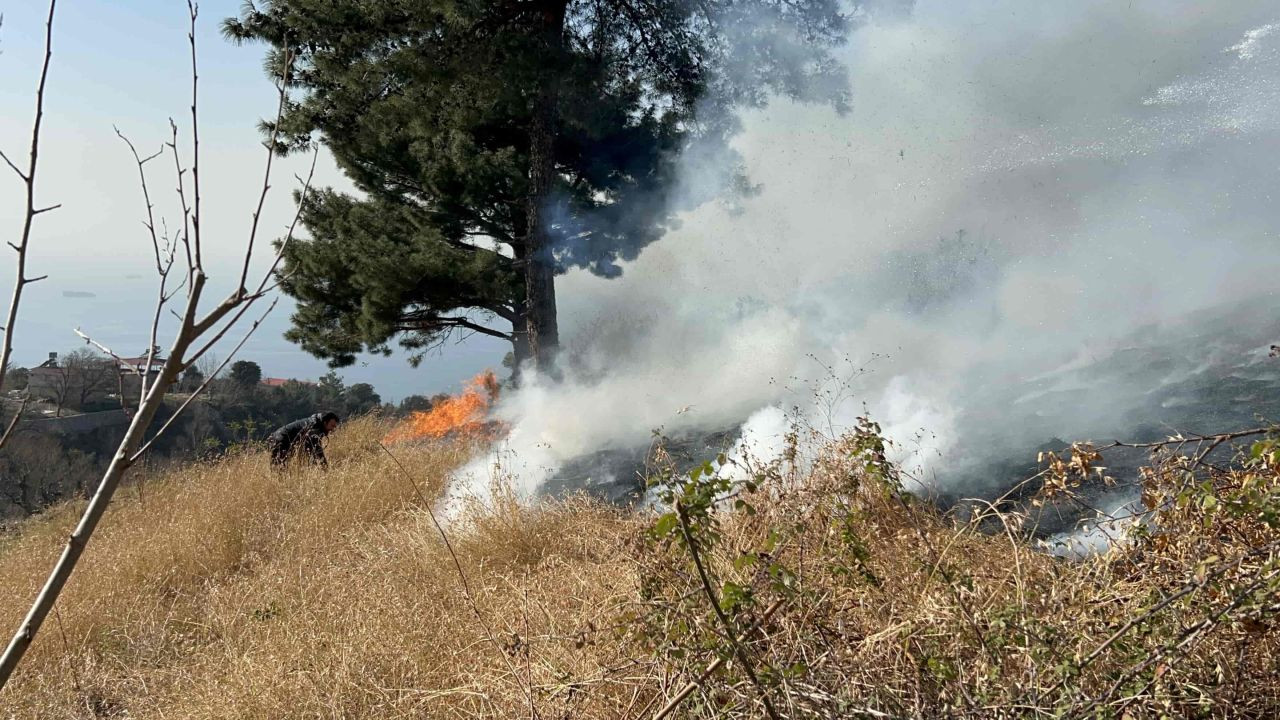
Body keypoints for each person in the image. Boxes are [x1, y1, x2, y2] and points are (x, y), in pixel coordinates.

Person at [267, 412, 339, 469]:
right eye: (332, 426)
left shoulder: (317, 425)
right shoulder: (314, 427)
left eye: (335, 426)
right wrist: (325, 467)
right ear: (325, 423)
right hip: (281, 439)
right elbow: (316, 449)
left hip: (280, 438)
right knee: (279, 469)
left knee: (281, 468)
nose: (333, 429)